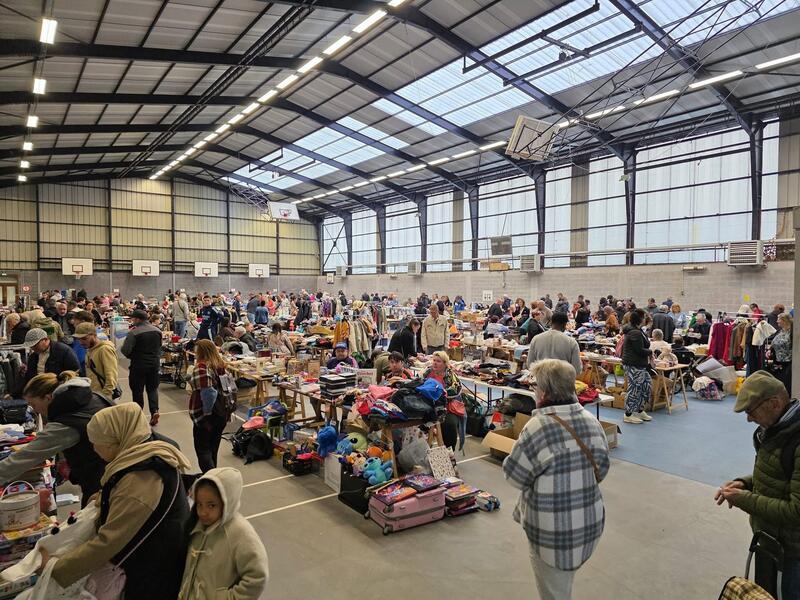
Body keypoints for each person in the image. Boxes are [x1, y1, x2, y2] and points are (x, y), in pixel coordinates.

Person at [41, 402, 191, 599]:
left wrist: (55, 568)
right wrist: (106, 497)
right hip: (155, 563)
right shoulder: (143, 452)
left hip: (154, 575)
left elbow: (109, 541)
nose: (94, 449)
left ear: (117, 441)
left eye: (97, 442)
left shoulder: (141, 478)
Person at [503, 359, 610, 600]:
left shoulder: (537, 427)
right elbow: (602, 469)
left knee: (554, 592)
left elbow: (514, 476)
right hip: (587, 522)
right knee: (562, 584)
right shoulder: (592, 422)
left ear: (544, 392)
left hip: (551, 530)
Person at [715, 371, 800, 599]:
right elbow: (778, 474)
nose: (748, 419)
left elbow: (796, 511)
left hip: (793, 552)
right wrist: (745, 483)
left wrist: (745, 500)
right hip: (771, 541)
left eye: (750, 411)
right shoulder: (774, 430)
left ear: (773, 403)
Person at [0, 371, 110, 506]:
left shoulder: (66, 423)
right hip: (117, 474)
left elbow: (24, 457)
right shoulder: (91, 397)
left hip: (102, 483)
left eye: (33, 404)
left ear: (47, 398)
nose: (35, 411)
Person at [179, 468, 269, 600]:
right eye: (199, 504)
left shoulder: (240, 533)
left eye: (211, 505)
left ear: (227, 502)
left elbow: (257, 576)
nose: (203, 512)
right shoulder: (197, 526)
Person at [189, 340, 234, 473]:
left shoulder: (202, 367)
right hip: (222, 413)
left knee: (203, 450)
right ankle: (214, 474)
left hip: (207, 415)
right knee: (213, 447)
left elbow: (209, 393)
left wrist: (207, 412)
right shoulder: (220, 365)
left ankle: (211, 478)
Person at [121, 309, 162, 426]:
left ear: (138, 319)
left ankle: (139, 415)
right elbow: (159, 347)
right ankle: (155, 411)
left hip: (138, 365)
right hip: (154, 364)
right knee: (152, 389)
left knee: (137, 390)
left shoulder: (134, 333)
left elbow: (125, 350)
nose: (132, 321)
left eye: (133, 318)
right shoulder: (157, 331)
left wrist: (132, 356)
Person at [423, 351, 464, 450]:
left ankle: (449, 451)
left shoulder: (451, 375)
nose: (435, 363)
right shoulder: (428, 372)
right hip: (428, 406)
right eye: (434, 360)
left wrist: (439, 392)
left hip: (447, 407)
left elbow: (456, 391)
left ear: (445, 363)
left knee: (449, 425)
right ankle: (422, 450)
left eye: (438, 361)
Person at [621, 308, 652, 424]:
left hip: (640, 364)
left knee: (646, 386)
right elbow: (639, 350)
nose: (645, 319)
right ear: (640, 319)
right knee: (634, 388)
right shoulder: (635, 332)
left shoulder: (638, 331)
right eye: (644, 317)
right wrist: (651, 351)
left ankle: (639, 410)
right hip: (633, 364)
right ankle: (628, 414)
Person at [74, 322, 118, 401]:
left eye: (84, 338)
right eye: (79, 339)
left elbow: (111, 376)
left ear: (94, 335)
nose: (81, 342)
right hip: (94, 394)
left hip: (103, 397)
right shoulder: (90, 349)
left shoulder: (105, 349)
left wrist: (105, 397)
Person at [770, 313, 793, 394]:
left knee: (787, 385)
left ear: (784, 320)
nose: (777, 321)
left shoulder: (792, 332)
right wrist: (770, 349)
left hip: (789, 363)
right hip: (779, 362)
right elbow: (774, 342)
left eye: (779, 319)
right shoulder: (781, 331)